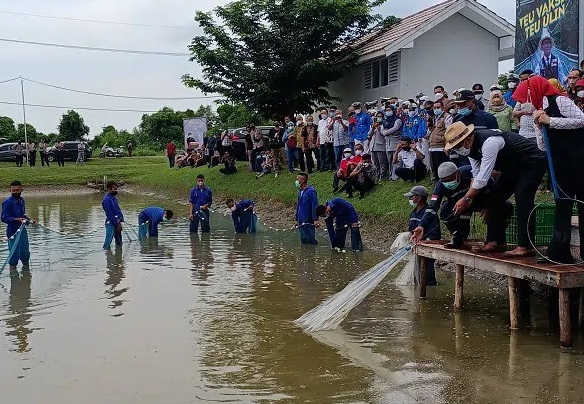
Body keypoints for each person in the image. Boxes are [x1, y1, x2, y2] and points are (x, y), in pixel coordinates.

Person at [444, 122, 547, 257]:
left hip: (531, 162)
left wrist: (466, 198)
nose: (458, 150)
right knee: (494, 197)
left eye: (457, 146)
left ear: (467, 139)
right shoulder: (471, 151)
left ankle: (525, 246)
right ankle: (496, 241)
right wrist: (471, 197)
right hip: (512, 166)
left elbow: (483, 179)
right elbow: (476, 175)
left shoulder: (490, 142)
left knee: (523, 197)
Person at [515, 75, 584, 263]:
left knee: (582, 204)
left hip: (578, 160)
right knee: (562, 205)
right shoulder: (540, 110)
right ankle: (559, 252)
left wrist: (551, 120)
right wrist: (539, 126)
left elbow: (582, 119)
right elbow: (542, 146)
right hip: (560, 164)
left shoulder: (560, 100)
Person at [405, 185, 439, 286]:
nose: (410, 199)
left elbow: (435, 233)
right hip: (416, 245)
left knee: (428, 274)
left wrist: (426, 241)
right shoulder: (413, 213)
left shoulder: (429, 213)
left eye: (412, 197)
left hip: (427, 246)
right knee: (417, 274)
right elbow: (411, 229)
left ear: (419, 198)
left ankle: (430, 287)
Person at [1, 181, 35, 275]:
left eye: (17, 190)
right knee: (14, 254)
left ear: (21, 190)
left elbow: (22, 215)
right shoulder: (7, 203)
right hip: (12, 231)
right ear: (10, 190)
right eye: (13, 190)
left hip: (22, 230)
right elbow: (4, 218)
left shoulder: (21, 200)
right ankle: (13, 276)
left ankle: (26, 275)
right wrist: (16, 219)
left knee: (25, 252)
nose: (16, 192)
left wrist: (30, 220)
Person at [295, 172, 319, 245]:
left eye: (297, 179)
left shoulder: (311, 191)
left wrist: (315, 219)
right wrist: (296, 219)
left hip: (309, 220)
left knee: (311, 239)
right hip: (300, 219)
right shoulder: (300, 192)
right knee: (303, 239)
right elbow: (298, 206)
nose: (296, 181)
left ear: (302, 181)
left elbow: (314, 206)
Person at [428, 100, 449, 181]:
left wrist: (446, 145)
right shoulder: (434, 118)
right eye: (435, 108)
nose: (436, 109)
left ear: (443, 108)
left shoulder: (447, 116)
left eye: (438, 107)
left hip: (441, 147)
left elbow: (449, 132)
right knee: (435, 169)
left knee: (442, 169)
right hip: (432, 147)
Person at [102, 181, 124, 250]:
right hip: (111, 223)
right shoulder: (106, 200)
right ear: (109, 189)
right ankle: (108, 256)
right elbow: (109, 213)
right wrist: (117, 224)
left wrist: (121, 218)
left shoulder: (114, 199)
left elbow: (118, 210)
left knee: (119, 242)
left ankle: (119, 257)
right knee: (108, 242)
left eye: (116, 189)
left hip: (117, 222)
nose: (116, 191)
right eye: (114, 189)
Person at [382, 104, 402, 180]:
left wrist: (386, 132)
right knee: (389, 160)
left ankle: (396, 176)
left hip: (396, 142)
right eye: (386, 110)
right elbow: (382, 129)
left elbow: (395, 128)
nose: (388, 112)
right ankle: (391, 175)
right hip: (388, 143)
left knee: (396, 159)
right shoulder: (385, 120)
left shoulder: (398, 119)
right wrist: (385, 132)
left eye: (389, 110)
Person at [369, 111, 389, 181]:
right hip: (373, 146)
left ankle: (383, 177)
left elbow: (384, 134)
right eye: (378, 116)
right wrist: (373, 128)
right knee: (376, 163)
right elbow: (368, 135)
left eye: (380, 116)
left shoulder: (385, 125)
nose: (379, 118)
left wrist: (378, 128)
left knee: (382, 163)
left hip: (380, 146)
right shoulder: (372, 125)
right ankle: (377, 177)